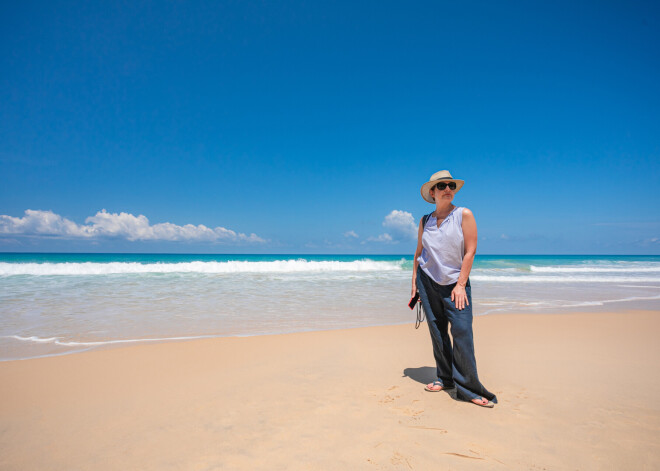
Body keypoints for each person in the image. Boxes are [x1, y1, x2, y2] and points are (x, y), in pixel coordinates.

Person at [411, 170, 497, 408]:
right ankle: (445, 378)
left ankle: (468, 388)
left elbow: (470, 251)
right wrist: (414, 284)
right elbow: (419, 254)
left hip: (455, 284)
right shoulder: (424, 221)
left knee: (462, 333)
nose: (447, 188)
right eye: (442, 186)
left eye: (450, 185)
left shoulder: (463, 214)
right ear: (432, 192)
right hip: (427, 282)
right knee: (437, 333)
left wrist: (460, 285)